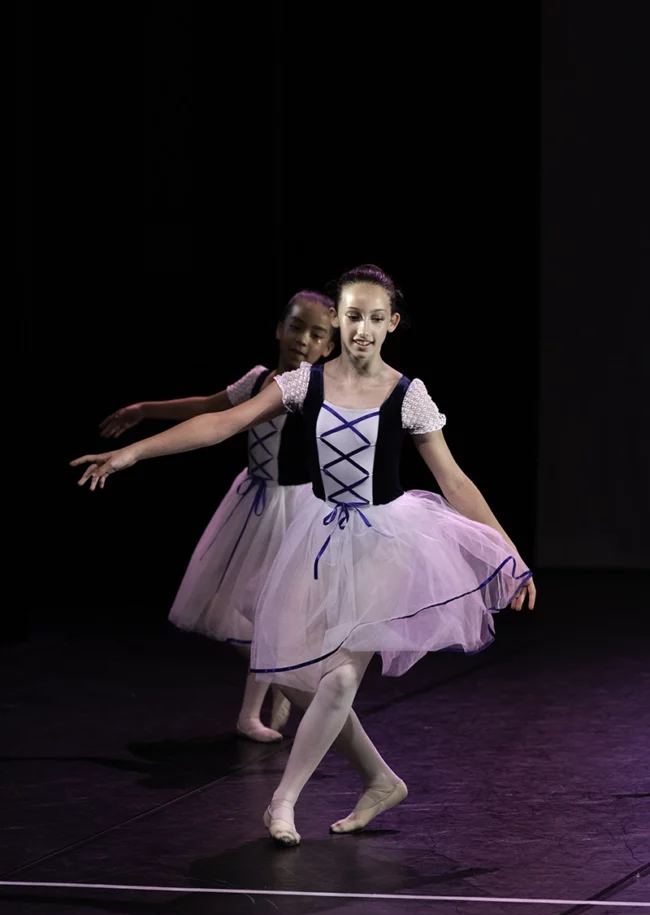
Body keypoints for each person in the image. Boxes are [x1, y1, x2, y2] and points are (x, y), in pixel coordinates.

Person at [72, 264, 535, 847]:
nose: (360, 329)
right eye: (350, 317)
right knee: (287, 671)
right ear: (337, 321)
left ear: (391, 323)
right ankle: (379, 779)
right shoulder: (303, 384)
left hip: (384, 544)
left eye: (373, 318)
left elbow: (455, 480)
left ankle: (282, 801)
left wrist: (508, 551)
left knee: (339, 681)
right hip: (317, 536)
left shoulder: (406, 393)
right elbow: (221, 422)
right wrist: (134, 453)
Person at [93, 290, 335, 742]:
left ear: (328, 346)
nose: (304, 339)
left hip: (295, 507)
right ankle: (280, 679)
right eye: (297, 327)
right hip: (252, 502)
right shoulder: (260, 377)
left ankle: (255, 710)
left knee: (269, 612)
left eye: (316, 334)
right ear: (280, 329)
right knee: (244, 618)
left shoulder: (317, 388)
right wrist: (144, 410)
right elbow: (210, 408)